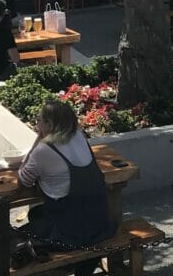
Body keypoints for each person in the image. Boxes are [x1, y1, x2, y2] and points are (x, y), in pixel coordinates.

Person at [17, 101, 115, 248]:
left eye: (39, 120)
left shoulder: (43, 150)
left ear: (49, 124)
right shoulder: (79, 137)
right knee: (37, 214)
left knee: (13, 237)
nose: (37, 124)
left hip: (70, 231)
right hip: (99, 224)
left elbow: (22, 181)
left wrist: (38, 141)